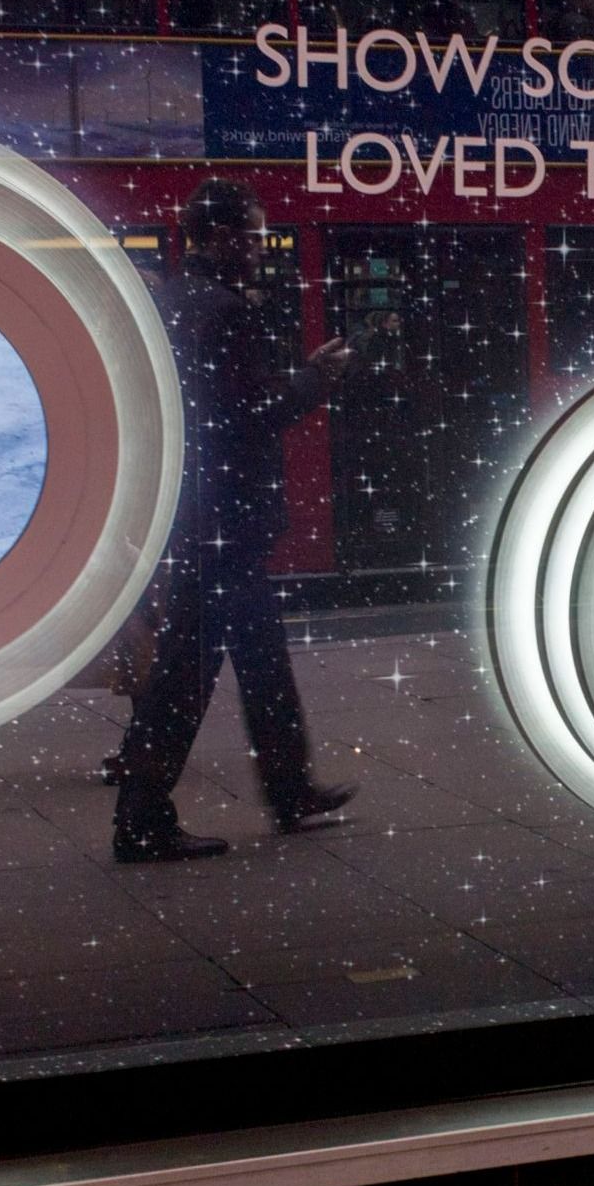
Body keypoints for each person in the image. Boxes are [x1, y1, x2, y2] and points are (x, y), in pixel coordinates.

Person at [110, 180, 357, 861]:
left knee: (262, 659)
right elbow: (250, 417)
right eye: (249, 235)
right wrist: (315, 380)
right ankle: (141, 820)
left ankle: (290, 787)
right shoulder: (223, 312)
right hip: (226, 519)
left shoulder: (166, 304)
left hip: (196, 513)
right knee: (183, 677)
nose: (258, 247)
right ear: (217, 237)